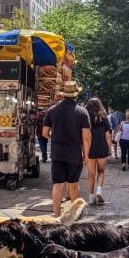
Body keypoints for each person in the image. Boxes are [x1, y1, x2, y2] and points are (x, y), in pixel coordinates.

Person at [42, 81, 91, 218]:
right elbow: (86, 137)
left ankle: (57, 215)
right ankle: (73, 215)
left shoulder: (52, 110)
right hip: (75, 154)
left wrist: (55, 135)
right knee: (73, 185)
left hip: (57, 154)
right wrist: (86, 154)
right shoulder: (82, 112)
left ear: (63, 94)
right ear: (76, 95)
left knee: (57, 185)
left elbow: (44, 133)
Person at [85, 97, 112, 205]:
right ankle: (99, 191)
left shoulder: (86, 119)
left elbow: (84, 135)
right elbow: (108, 135)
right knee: (101, 171)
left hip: (90, 148)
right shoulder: (104, 118)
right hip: (101, 147)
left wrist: (84, 150)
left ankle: (91, 198)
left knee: (91, 174)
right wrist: (109, 148)